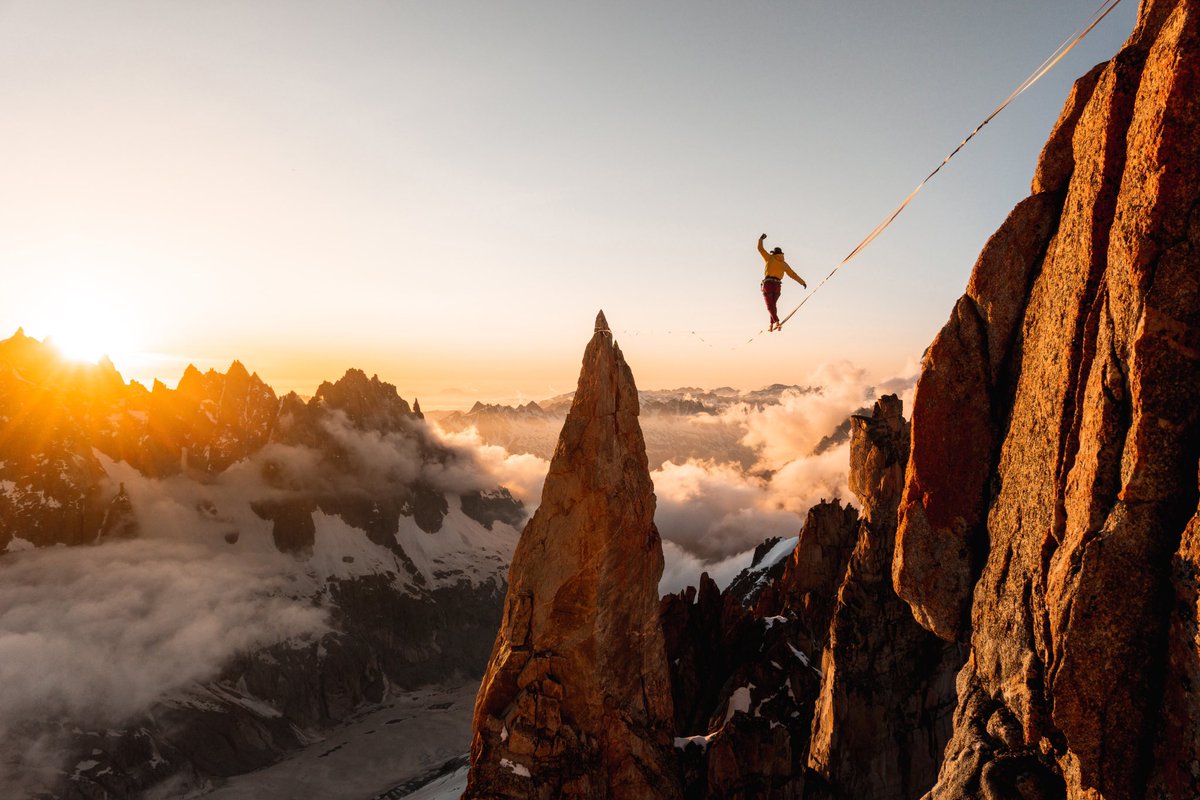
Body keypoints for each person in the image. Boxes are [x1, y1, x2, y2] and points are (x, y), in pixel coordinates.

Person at [758, 233, 806, 331]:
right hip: (777, 287)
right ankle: (771, 325)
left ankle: (777, 322)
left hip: (768, 285)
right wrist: (802, 282)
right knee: (773, 306)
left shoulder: (769, 258)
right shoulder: (784, 264)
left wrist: (761, 239)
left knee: (769, 306)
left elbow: (760, 249)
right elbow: (793, 274)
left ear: (773, 253)